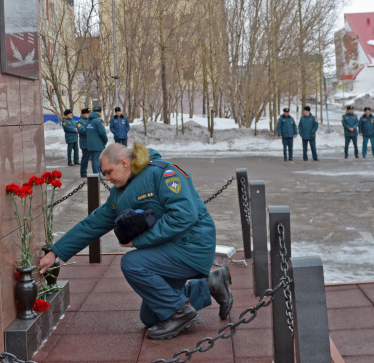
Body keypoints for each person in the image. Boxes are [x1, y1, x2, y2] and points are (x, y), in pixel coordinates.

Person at [38, 143, 233, 340]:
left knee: (132, 262)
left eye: (108, 172)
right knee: (150, 317)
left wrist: (139, 240)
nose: (106, 178)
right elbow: (93, 224)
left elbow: (183, 216)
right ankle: (211, 283)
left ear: (124, 163)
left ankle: (181, 314)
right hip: (169, 249)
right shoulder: (118, 193)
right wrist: (56, 252)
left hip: (191, 246)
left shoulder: (164, 173)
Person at [86, 106, 109, 175]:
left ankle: (95, 175)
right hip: (97, 144)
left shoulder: (88, 121)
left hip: (90, 144)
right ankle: (97, 175)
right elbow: (102, 133)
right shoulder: (98, 121)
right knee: (97, 160)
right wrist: (105, 140)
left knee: (93, 160)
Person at [77, 108, 91, 177]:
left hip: (89, 142)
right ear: (84, 114)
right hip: (84, 143)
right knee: (85, 158)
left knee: (89, 158)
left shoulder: (89, 120)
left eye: (89, 113)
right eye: (87, 113)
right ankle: (83, 172)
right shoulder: (80, 122)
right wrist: (90, 129)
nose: (88, 114)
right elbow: (82, 130)